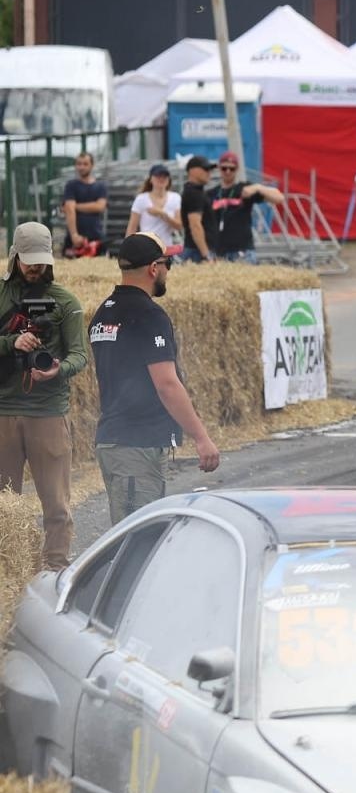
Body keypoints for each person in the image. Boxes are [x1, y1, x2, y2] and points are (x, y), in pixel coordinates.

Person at [88, 233, 221, 524]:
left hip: (115, 440)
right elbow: (167, 384)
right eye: (167, 263)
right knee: (140, 539)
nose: (167, 271)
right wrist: (201, 437)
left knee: (131, 533)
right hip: (137, 443)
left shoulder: (103, 312)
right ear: (153, 268)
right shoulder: (149, 315)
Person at [0, 222, 87, 570]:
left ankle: (55, 569)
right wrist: (11, 343)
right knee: (5, 505)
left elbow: (79, 354)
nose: (35, 268)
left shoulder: (66, 301)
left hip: (48, 411)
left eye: (40, 261)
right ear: (15, 257)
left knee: (56, 505)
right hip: (3, 412)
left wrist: (58, 369)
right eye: (28, 261)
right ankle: (8, 571)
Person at [208, 151, 285, 264]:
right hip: (218, 252)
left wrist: (258, 187)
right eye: (224, 168)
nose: (228, 171)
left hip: (243, 251)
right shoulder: (212, 193)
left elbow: (279, 198)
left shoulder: (245, 189)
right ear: (219, 168)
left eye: (232, 169)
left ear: (237, 169)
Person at [124, 164, 182, 249]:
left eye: (165, 176)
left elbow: (179, 225)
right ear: (151, 179)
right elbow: (132, 227)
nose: (161, 179)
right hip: (146, 247)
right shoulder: (141, 199)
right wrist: (127, 248)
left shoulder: (175, 197)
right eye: (158, 176)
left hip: (166, 247)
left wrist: (162, 214)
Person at [62, 152, 109, 256]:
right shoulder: (71, 185)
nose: (81, 167)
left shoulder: (101, 186)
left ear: (92, 165)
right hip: (74, 239)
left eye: (85, 164)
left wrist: (76, 206)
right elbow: (69, 209)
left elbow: (100, 207)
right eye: (79, 164)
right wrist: (74, 235)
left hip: (96, 237)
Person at [179, 155, 216, 263]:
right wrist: (206, 255)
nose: (209, 172)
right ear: (192, 171)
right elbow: (195, 225)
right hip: (197, 253)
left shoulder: (195, 191)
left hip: (196, 251)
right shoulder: (194, 193)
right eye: (205, 169)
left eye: (210, 169)